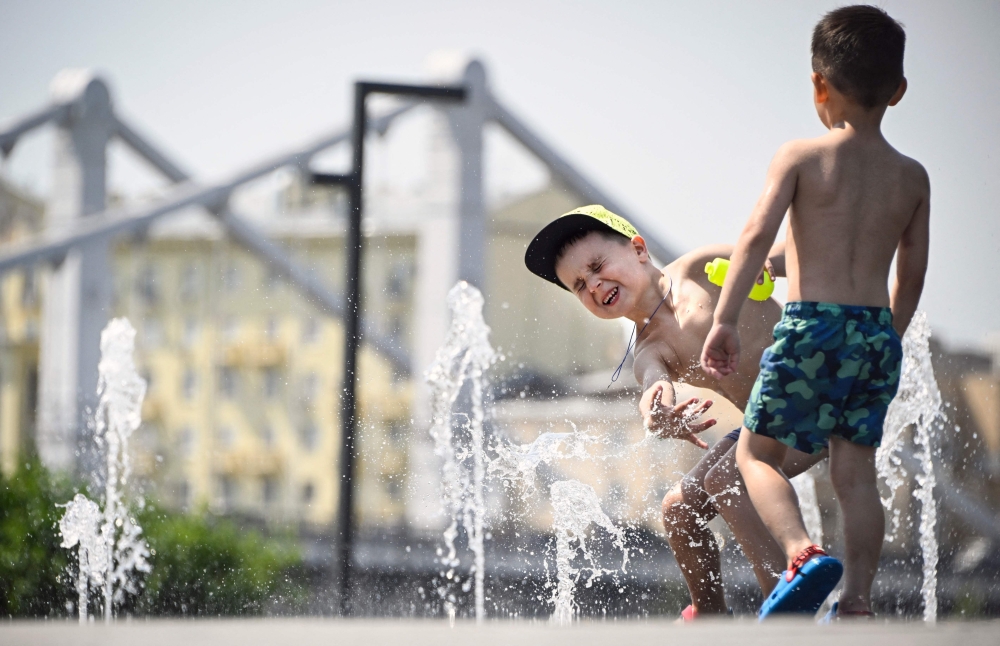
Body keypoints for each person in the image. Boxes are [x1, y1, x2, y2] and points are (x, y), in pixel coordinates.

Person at [700, 5, 929, 620]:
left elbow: (753, 239)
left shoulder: (801, 156)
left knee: (756, 455)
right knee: (856, 473)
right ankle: (856, 600)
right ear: (899, 91)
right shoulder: (912, 177)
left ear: (818, 85)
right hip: (874, 332)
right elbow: (911, 273)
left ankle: (801, 552)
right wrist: (890, 337)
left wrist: (723, 320)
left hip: (811, 326)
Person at [524, 204, 823, 619]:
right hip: (767, 424)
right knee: (678, 509)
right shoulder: (650, 349)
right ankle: (710, 615)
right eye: (578, 285)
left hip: (818, 395)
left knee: (725, 476)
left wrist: (797, 264)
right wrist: (658, 414)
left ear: (639, 250)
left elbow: (787, 255)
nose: (593, 284)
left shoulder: (702, 269)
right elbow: (653, 388)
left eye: (597, 265)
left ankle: (790, 589)